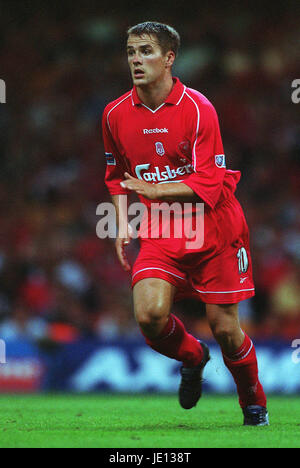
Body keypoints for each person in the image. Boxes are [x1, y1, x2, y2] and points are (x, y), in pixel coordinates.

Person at [102, 21, 268, 426]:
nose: (136, 60)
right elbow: (116, 177)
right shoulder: (114, 114)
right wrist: (123, 224)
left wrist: (155, 192)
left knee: (226, 329)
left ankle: (253, 404)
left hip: (214, 228)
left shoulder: (198, 109)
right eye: (130, 52)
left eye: (146, 51)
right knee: (149, 315)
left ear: (169, 58)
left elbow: (210, 181)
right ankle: (194, 356)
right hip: (162, 232)